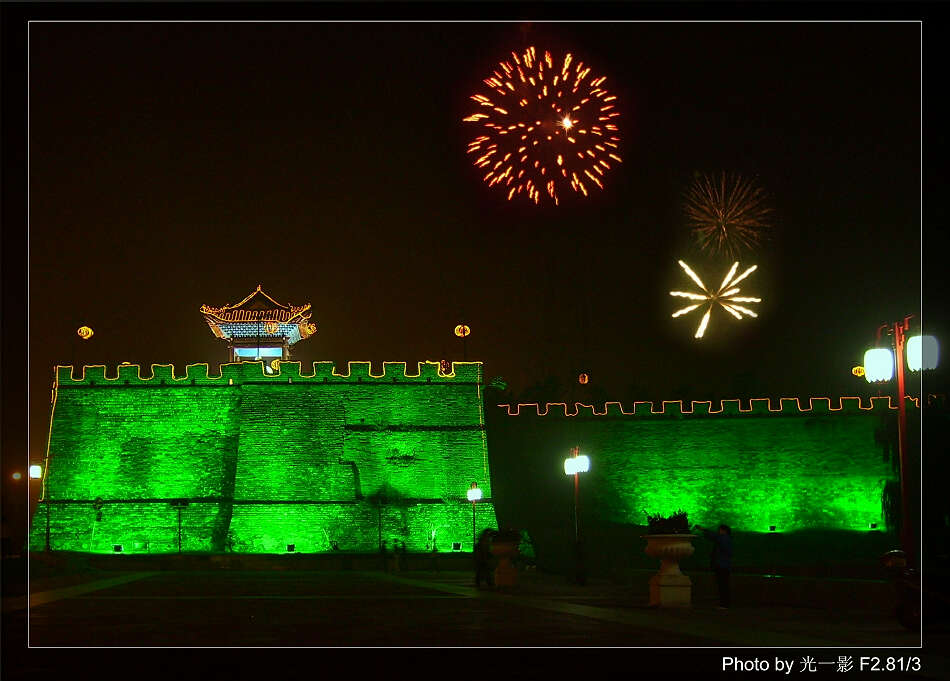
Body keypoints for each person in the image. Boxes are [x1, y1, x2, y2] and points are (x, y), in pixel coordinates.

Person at [695, 523, 732, 609]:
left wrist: (702, 529)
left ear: (724, 530)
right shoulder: (727, 539)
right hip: (724, 565)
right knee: (724, 584)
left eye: (720, 530)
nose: (718, 531)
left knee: (722, 585)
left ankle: (724, 604)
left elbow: (713, 536)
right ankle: (724, 603)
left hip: (722, 565)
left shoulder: (723, 538)